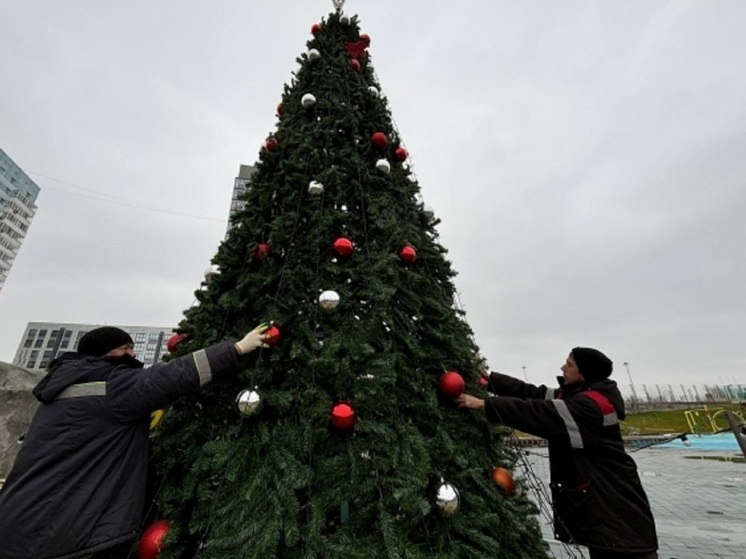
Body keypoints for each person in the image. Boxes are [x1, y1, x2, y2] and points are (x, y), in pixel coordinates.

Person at [0, 323, 270, 559]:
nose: (133, 354)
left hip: (20, 520)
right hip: (59, 532)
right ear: (103, 354)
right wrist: (235, 349)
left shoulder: (63, 389)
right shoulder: (110, 384)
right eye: (125, 348)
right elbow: (170, 376)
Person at [457, 347, 658, 559]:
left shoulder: (589, 405)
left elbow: (538, 412)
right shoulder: (579, 394)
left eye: (570, 364)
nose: (563, 367)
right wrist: (491, 380)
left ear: (584, 373)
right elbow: (532, 393)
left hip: (616, 514)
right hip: (608, 514)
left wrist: (483, 404)